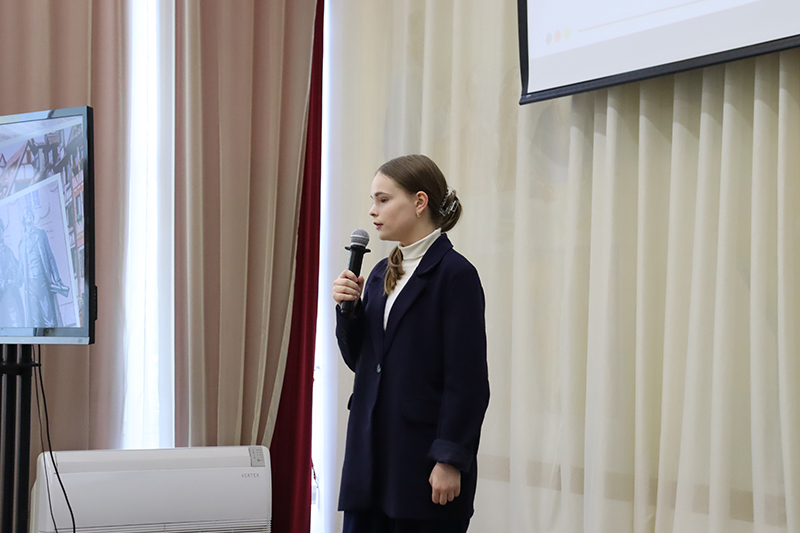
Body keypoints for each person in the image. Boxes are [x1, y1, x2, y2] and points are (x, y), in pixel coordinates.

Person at [332, 154, 490, 533]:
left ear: (420, 202)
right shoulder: (379, 274)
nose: (373, 211)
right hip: (370, 460)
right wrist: (349, 312)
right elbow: (364, 363)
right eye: (373, 200)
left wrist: (450, 458)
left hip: (421, 462)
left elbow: (467, 380)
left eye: (383, 199)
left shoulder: (455, 274)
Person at [18, 206, 69, 327]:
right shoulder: (22, 242)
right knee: (35, 321)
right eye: (26, 214)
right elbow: (21, 268)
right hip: (30, 286)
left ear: (33, 217)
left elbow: (50, 257)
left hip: (41, 281)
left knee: (48, 318)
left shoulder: (40, 234)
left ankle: (53, 338)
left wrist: (58, 279)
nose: (28, 214)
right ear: (23, 220)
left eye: (30, 213)